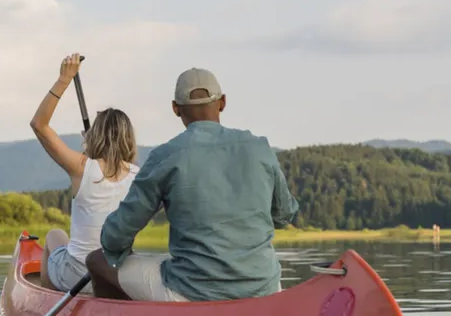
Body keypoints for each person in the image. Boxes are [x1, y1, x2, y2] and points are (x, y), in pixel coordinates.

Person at [84, 67, 299, 302]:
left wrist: (118, 249)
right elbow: (284, 215)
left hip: (191, 292)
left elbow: (117, 234)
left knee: (97, 260)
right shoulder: (260, 148)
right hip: (264, 287)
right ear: (223, 102)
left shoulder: (166, 156)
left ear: (176, 109)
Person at [30, 52, 141, 294]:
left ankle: (49, 300)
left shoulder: (81, 167)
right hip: (116, 276)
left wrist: (64, 79)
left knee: (54, 235)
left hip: (79, 275)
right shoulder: (139, 175)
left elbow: (39, 124)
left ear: (95, 136)